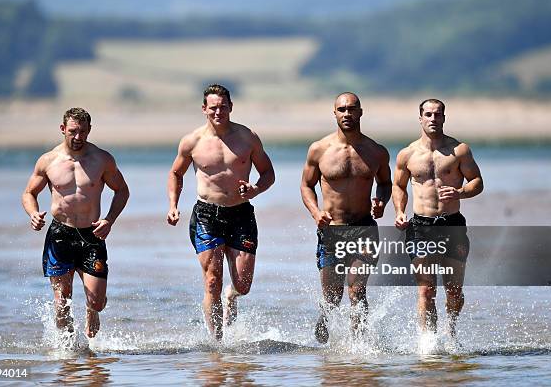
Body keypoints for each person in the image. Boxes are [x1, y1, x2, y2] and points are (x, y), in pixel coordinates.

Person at [167, 84, 275, 340]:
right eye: (213, 107)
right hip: (207, 215)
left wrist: (255, 189)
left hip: (241, 214)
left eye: (223, 107)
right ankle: (218, 344)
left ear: (231, 107)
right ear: (204, 109)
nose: (218, 112)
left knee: (243, 285)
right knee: (212, 281)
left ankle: (232, 295)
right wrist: (173, 204)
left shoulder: (248, 137)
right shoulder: (192, 141)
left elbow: (268, 173)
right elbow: (175, 173)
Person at [22, 107, 129, 339]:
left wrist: (109, 220)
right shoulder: (48, 161)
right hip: (60, 235)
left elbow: (122, 191)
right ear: (63, 129)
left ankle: (93, 311)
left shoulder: (102, 159)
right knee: (62, 301)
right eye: (73, 131)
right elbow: (29, 193)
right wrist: (32, 213)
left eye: (83, 132)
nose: (78, 137)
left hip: (92, 235)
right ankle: (70, 355)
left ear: (90, 130)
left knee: (97, 301)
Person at [301, 92, 392, 343]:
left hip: (363, 228)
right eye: (342, 110)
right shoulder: (319, 150)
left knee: (356, 289)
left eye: (352, 109)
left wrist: (381, 201)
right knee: (332, 297)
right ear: (335, 114)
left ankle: (358, 348)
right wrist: (316, 212)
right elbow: (306, 186)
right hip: (331, 230)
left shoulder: (376, 152)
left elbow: (385, 183)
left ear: (361, 112)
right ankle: (325, 314)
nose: (347, 114)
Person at [392, 98, 483, 338]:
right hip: (421, 226)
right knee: (426, 290)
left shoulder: (459, 150)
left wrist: (460, 192)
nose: (433, 119)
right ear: (420, 118)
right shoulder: (407, 154)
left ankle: (450, 332)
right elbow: (398, 187)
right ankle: (428, 343)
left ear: (444, 117)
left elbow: (477, 182)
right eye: (428, 114)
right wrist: (400, 212)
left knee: (454, 290)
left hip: (452, 224)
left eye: (438, 114)